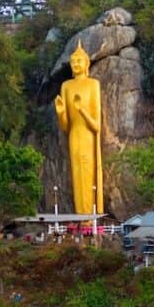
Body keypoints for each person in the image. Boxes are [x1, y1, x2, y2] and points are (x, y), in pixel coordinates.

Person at [55, 41, 103, 215]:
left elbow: (97, 126)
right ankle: (81, 216)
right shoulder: (66, 86)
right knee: (77, 177)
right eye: (73, 61)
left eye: (79, 61)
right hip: (74, 135)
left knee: (88, 174)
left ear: (86, 63)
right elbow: (66, 126)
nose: (75, 64)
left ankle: (90, 217)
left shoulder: (93, 85)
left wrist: (82, 110)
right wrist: (61, 113)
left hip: (88, 137)